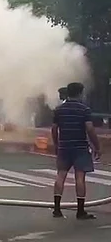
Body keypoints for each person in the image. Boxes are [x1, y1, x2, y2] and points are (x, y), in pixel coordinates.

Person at [52, 82, 101, 219]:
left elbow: (54, 129)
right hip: (80, 147)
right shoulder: (84, 109)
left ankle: (57, 209)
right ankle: (80, 211)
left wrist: (56, 144)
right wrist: (97, 146)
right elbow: (90, 129)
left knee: (61, 175)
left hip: (64, 147)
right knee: (80, 177)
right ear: (80, 93)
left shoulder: (59, 109)